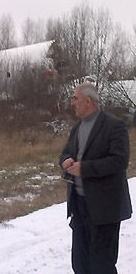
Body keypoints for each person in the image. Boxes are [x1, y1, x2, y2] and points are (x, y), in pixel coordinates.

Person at [59, 82, 132, 273]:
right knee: (80, 264)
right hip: (79, 206)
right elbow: (66, 152)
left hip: (105, 208)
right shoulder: (77, 128)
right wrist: (66, 160)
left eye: (75, 98)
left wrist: (84, 168)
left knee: (101, 265)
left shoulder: (114, 126)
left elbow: (119, 161)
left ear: (88, 101)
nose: (72, 103)